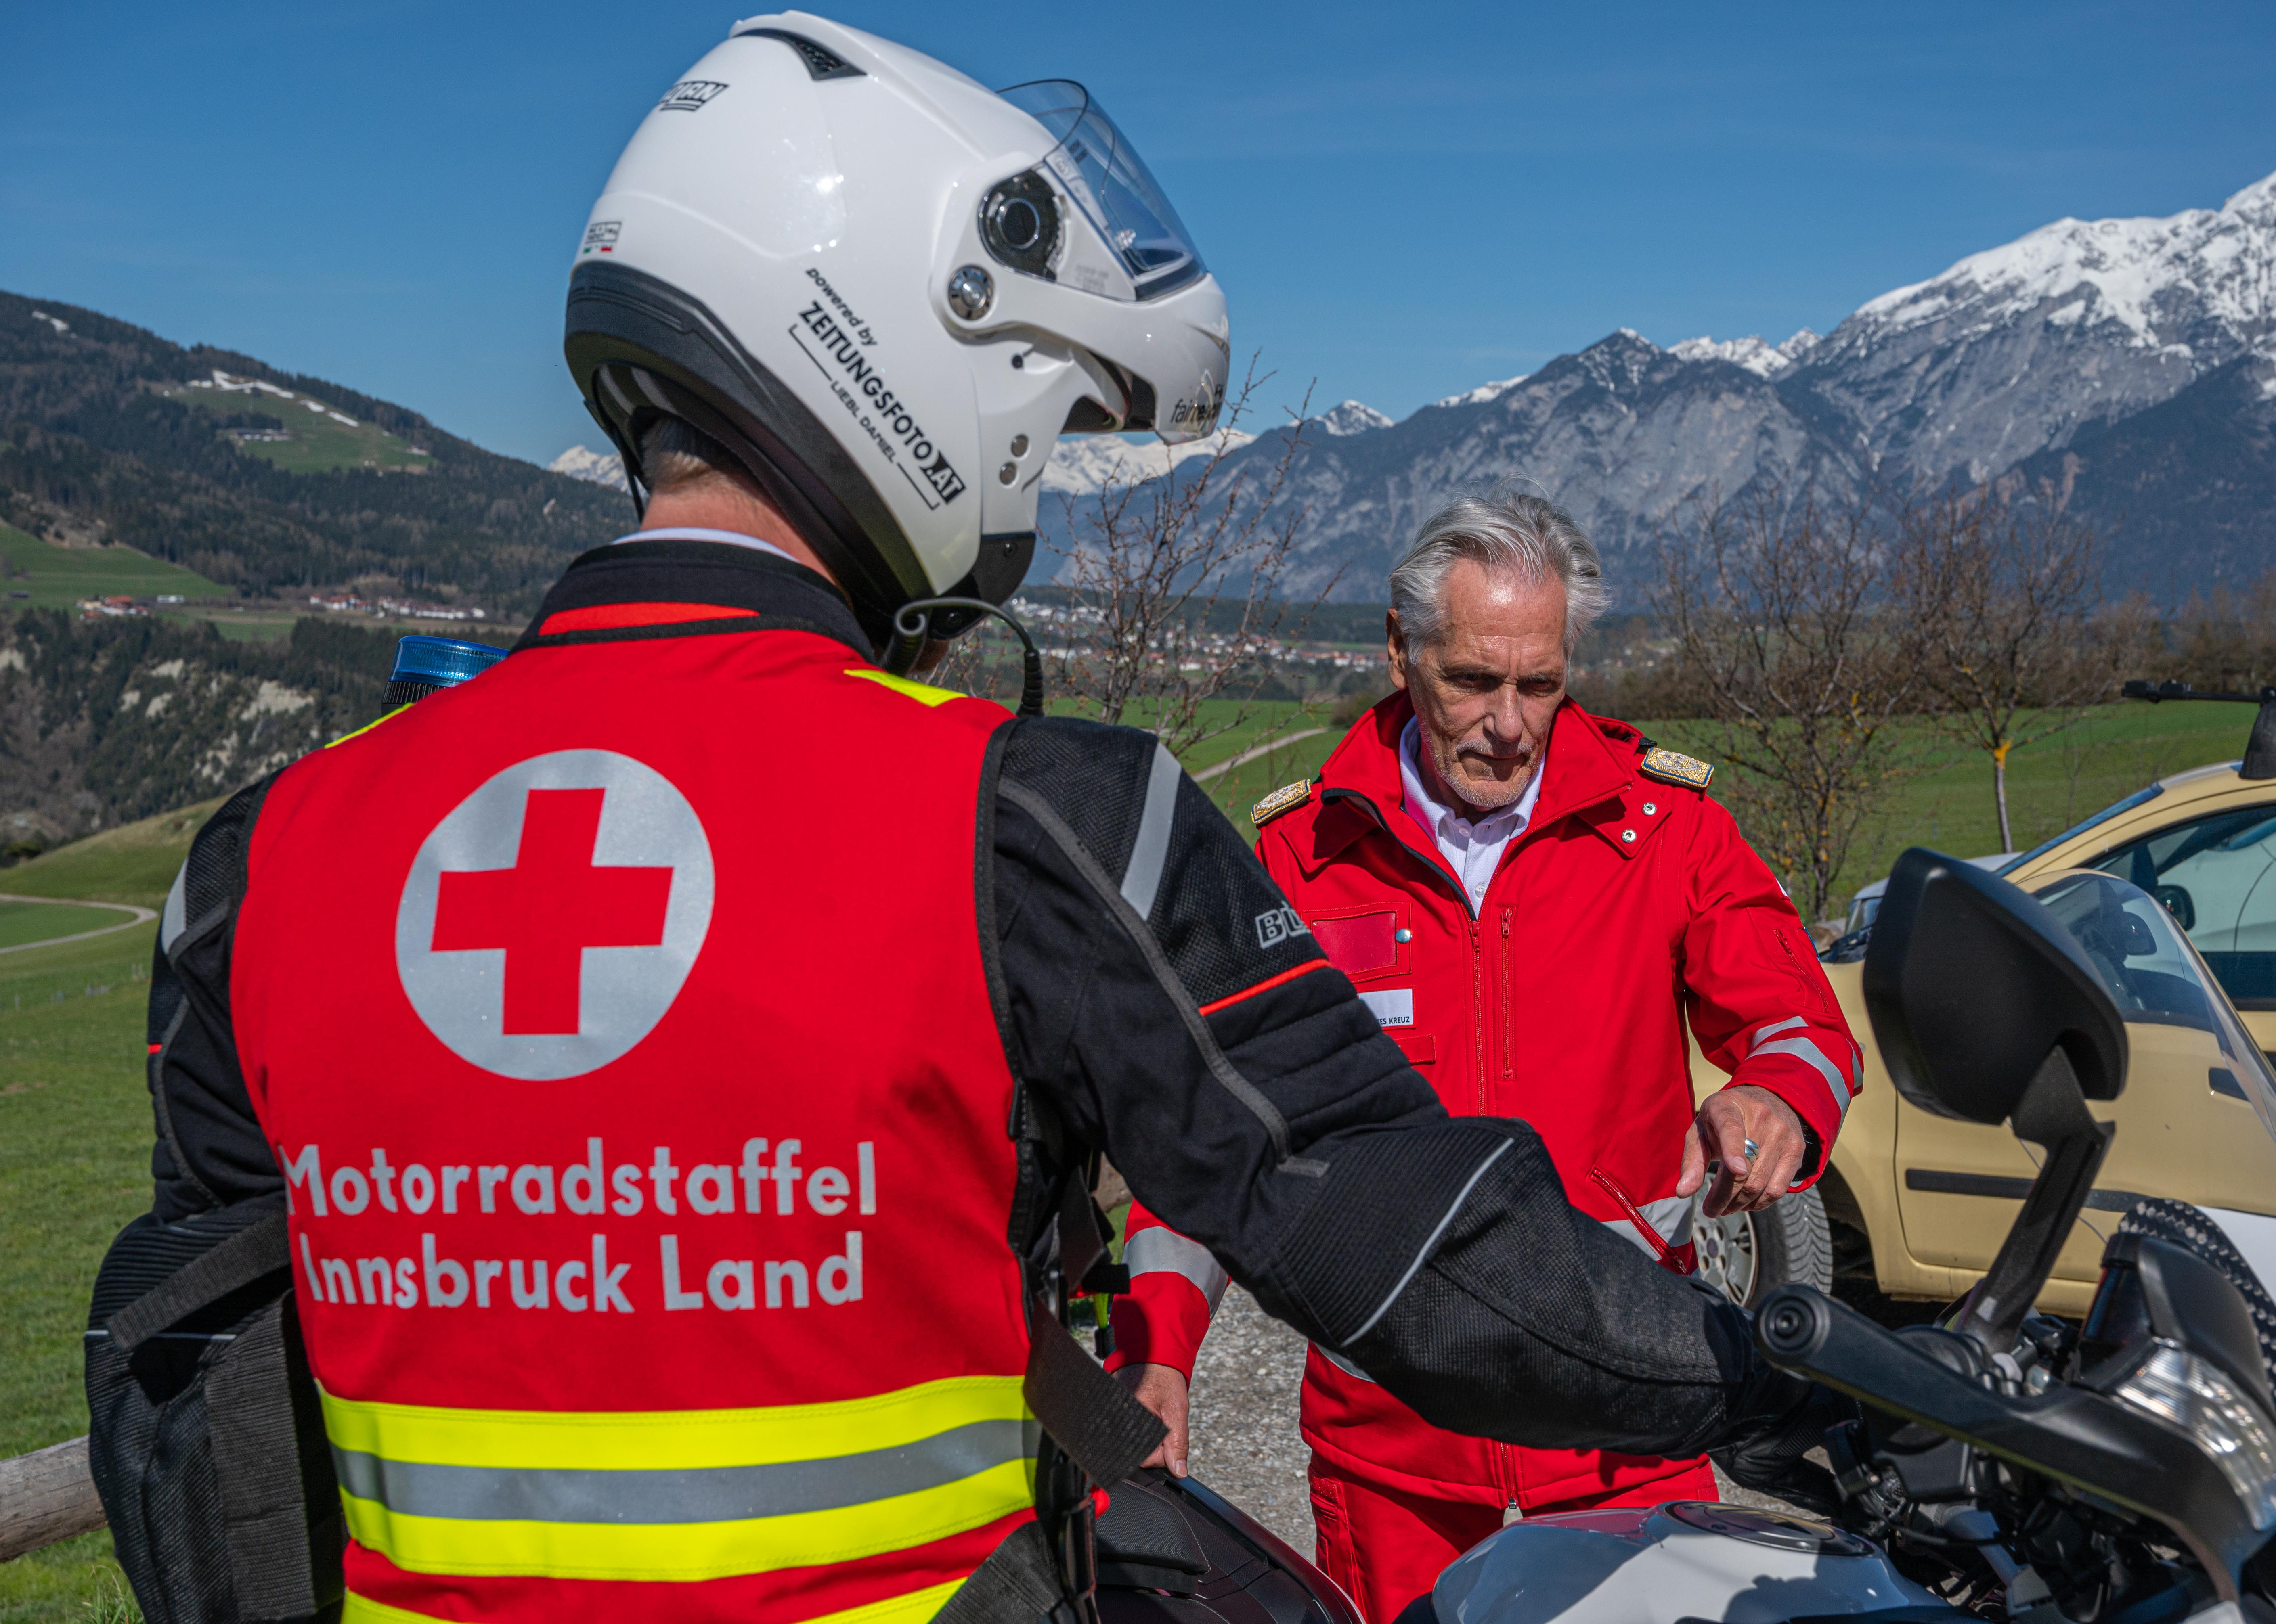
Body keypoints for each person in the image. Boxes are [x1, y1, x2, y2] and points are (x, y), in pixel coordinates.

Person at [93, 19, 1847, 1624]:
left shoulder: (259, 864)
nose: (1028, 485)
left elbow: (203, 1445)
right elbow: (1425, 1253)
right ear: (921, 364)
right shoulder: (1032, 820)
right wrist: (1786, 1366)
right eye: (1046, 417)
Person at [1110, 494, 1863, 1624]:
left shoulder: (1668, 828)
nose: (1510, 723)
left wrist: (1780, 1098)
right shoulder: (1298, 858)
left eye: (1541, 685)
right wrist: (1158, 1353)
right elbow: (1206, 1141)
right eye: (1472, 680)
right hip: (1395, 1452)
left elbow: (1803, 1026)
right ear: (1400, 651)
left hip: (1626, 1419)